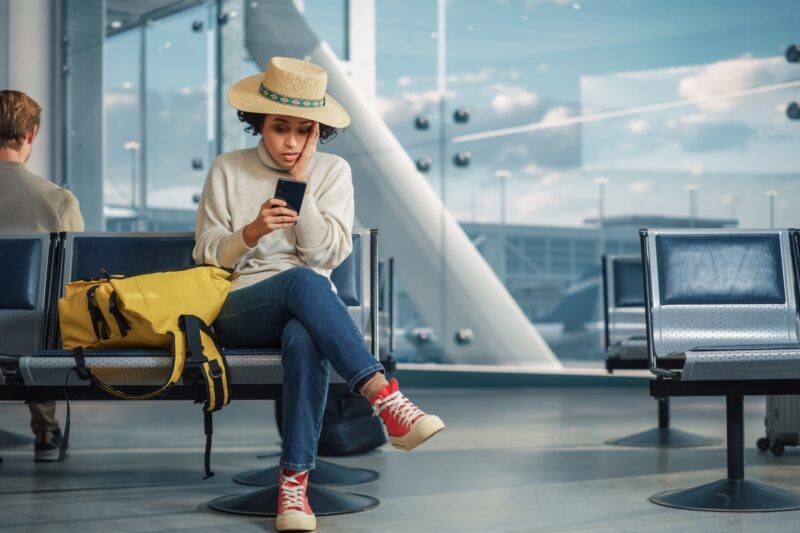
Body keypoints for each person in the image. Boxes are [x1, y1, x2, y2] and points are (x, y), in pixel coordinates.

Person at [194, 57, 445, 532]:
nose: (290, 142)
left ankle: (294, 487)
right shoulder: (227, 170)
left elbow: (324, 255)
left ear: (318, 130)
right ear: (258, 124)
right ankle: (384, 397)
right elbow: (207, 257)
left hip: (307, 311)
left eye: (303, 130)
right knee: (303, 284)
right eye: (278, 128)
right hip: (239, 307)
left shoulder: (332, 172)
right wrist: (250, 231)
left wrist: (299, 186)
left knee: (305, 335)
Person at [0, 90, 84, 461]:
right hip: (34, 332)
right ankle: (47, 433)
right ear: (31, 134)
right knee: (48, 312)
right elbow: (76, 278)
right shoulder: (58, 201)